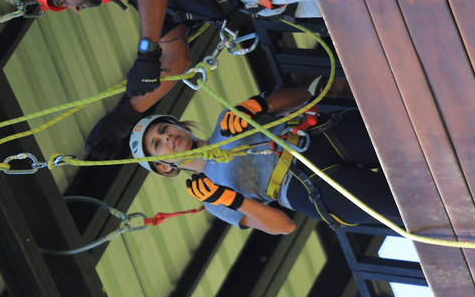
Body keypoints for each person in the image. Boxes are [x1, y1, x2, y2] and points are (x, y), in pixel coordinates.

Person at [20, 0, 324, 161]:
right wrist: (123, 117)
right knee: (356, 0)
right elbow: (176, 61)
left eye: (60, 0)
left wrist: (146, 51)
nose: (72, 8)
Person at [128, 88, 402, 234]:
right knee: (405, 205)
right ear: (163, 167)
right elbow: (284, 226)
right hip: (302, 189)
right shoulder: (213, 200)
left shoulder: (227, 121)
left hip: (316, 139)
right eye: (157, 145)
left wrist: (258, 106)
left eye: (165, 130)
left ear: (179, 126)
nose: (167, 139)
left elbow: (303, 96)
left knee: (407, 134)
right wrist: (231, 200)